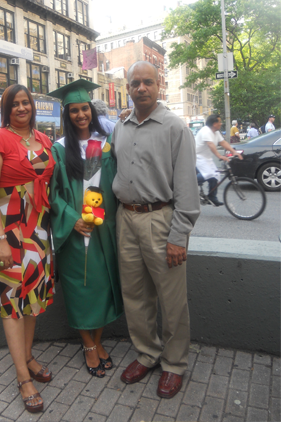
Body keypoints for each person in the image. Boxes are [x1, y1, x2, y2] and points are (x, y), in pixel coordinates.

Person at [109, 61, 200, 399]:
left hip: (161, 219)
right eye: (135, 83)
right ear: (127, 86)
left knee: (172, 300)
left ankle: (174, 364)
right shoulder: (122, 126)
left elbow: (188, 189)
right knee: (135, 295)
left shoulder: (175, 128)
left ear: (159, 84)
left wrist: (179, 236)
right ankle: (147, 353)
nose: (142, 88)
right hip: (126, 218)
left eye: (148, 82)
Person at [0, 84, 56, 414]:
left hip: (38, 231)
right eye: (15, 105)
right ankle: (23, 377)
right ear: (6, 110)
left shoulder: (43, 140)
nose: (21, 108)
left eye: (26, 103)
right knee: (11, 303)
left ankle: (28, 356)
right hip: (8, 231)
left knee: (33, 299)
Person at [47, 80, 123, 379]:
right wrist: (71, 219)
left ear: (91, 110)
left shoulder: (103, 144)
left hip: (102, 230)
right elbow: (51, 195)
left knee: (102, 287)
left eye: (85, 109)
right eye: (74, 110)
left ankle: (98, 340)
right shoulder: (58, 149)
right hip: (74, 232)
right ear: (66, 115)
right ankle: (88, 346)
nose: (81, 115)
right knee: (81, 288)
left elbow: (112, 185)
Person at [194, 114, 241, 207]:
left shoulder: (216, 132)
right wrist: (220, 156)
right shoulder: (206, 131)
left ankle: (212, 197)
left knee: (216, 174)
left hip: (206, 157)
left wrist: (234, 152)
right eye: (219, 121)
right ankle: (190, 182)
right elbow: (210, 144)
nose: (221, 123)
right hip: (197, 156)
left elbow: (223, 142)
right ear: (214, 123)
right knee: (208, 173)